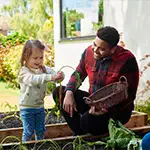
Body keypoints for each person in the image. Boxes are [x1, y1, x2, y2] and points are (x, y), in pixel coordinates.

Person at [53, 26, 139, 136]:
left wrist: (106, 109)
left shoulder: (127, 60)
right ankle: (81, 133)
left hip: (114, 111)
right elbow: (78, 74)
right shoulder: (89, 52)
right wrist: (69, 92)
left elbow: (130, 95)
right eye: (94, 44)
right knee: (59, 93)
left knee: (86, 121)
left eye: (101, 49)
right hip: (92, 102)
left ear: (113, 49)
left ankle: (85, 129)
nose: (95, 50)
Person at [18, 40, 64, 141]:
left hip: (39, 107)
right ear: (26, 57)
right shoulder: (24, 71)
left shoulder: (43, 69)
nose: (38, 61)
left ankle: (40, 145)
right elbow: (33, 80)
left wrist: (60, 76)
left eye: (41, 57)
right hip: (26, 108)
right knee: (28, 130)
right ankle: (25, 147)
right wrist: (50, 77)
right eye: (35, 58)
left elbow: (55, 74)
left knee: (40, 129)